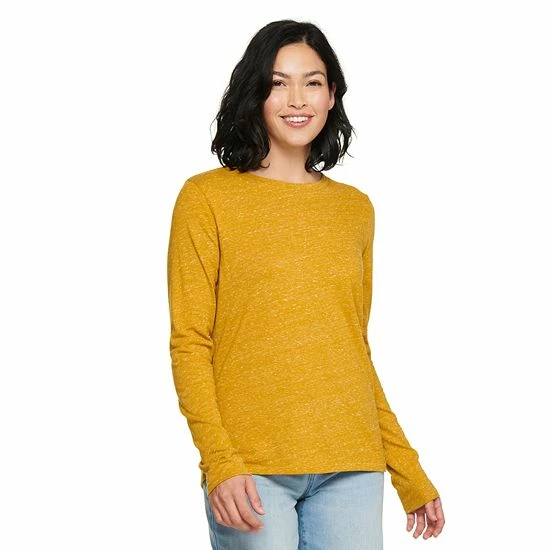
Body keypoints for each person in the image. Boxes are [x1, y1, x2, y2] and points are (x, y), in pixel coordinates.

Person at [167, 19, 445, 550]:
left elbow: (353, 349)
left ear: (332, 94)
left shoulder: (354, 209)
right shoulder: (206, 199)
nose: (297, 99)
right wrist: (220, 460)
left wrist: (407, 469)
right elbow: (190, 343)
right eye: (278, 83)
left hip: (352, 463)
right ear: (256, 93)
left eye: (312, 82)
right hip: (252, 465)